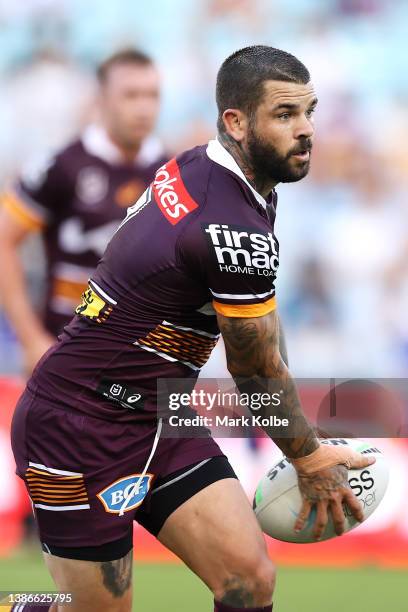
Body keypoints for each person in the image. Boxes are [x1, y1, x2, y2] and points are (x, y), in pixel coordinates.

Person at [10, 46, 374, 612]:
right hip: (77, 424)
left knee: (249, 579)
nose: (306, 131)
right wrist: (307, 456)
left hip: (159, 412)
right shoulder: (229, 227)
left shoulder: (199, 165)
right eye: (284, 115)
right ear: (235, 121)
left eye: (309, 112)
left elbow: (261, 341)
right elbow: (254, 369)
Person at [0, 48, 167, 373]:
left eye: (152, 96)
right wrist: (31, 338)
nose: (144, 108)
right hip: (64, 355)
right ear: (102, 99)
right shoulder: (63, 166)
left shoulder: (174, 173)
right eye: (131, 96)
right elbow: (3, 239)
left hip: (139, 366)